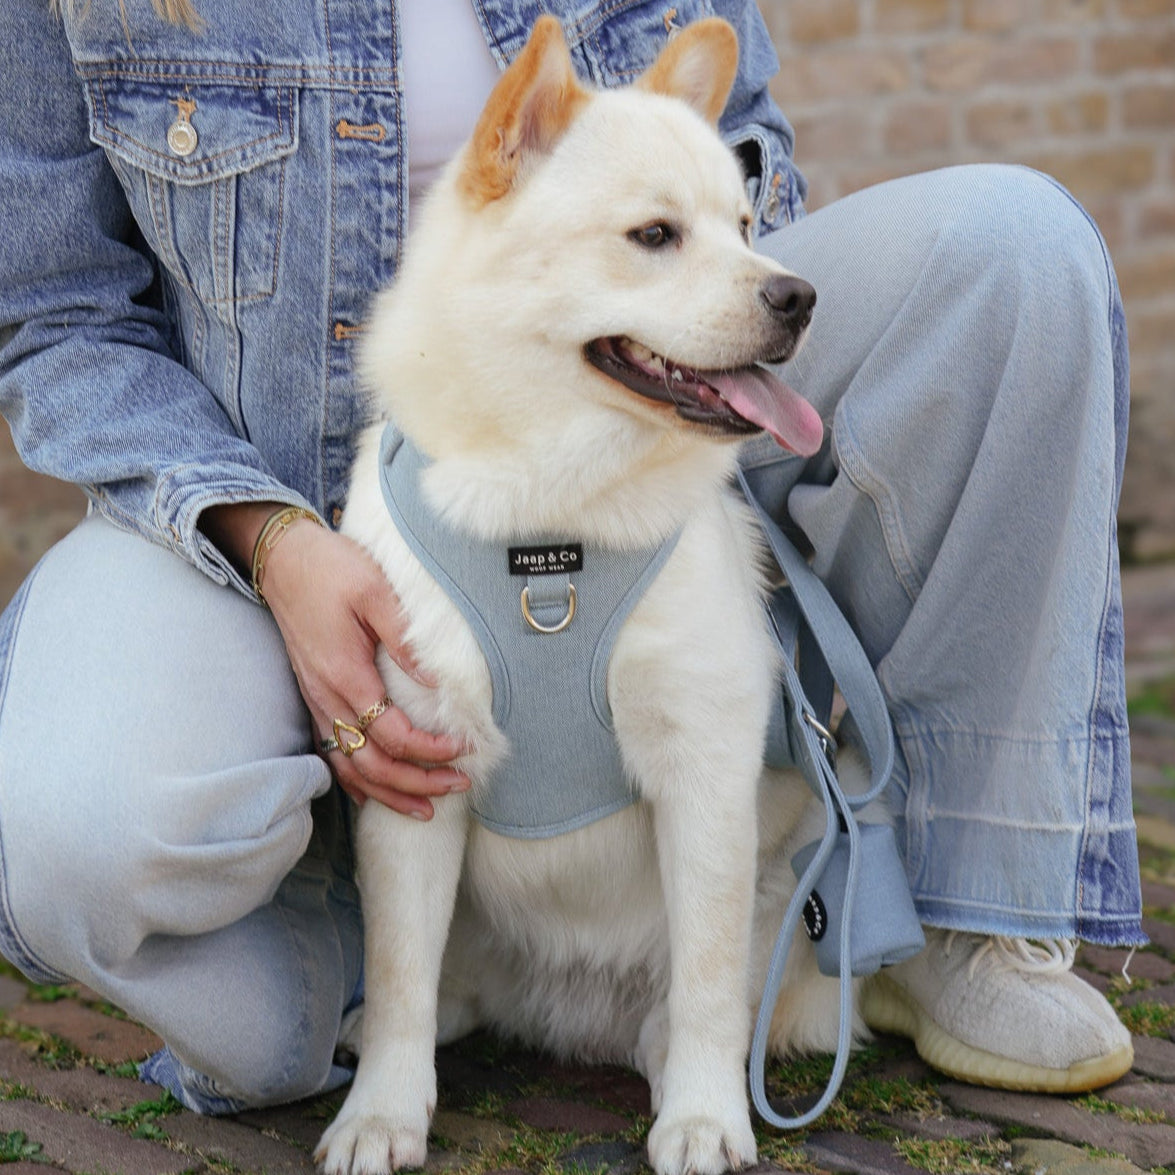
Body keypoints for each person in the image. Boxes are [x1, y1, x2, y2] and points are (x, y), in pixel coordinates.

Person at [0, 0, 1141, 1114]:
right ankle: (375, 938)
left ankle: (943, 909)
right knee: (87, 856)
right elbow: (58, 317)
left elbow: (735, 140)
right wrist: (270, 536)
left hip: (620, 414)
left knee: (1016, 249)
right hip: (247, 496)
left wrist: (677, 332)